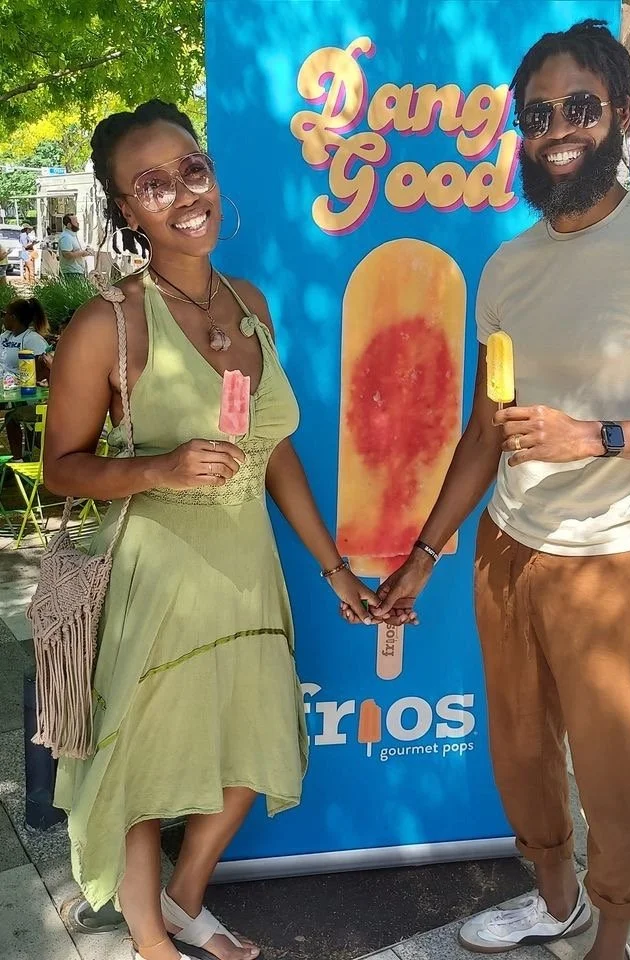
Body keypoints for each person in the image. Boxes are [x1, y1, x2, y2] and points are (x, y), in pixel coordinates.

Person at [374, 20, 630, 960]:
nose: (557, 128)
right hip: (508, 548)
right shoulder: (506, 268)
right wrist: (427, 553)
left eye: (580, 106)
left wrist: (598, 436)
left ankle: (613, 934)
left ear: (621, 113)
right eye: (537, 114)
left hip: (613, 560)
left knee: (614, 770)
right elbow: (484, 430)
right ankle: (555, 899)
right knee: (521, 750)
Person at [45, 100, 381, 960]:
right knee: (146, 766)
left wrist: (336, 571)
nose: (182, 194)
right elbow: (61, 467)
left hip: (247, 567)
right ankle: (151, 941)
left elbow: (273, 452)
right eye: (150, 184)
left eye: (191, 169)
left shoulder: (250, 300)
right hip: (161, 574)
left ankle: (187, 896)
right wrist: (156, 467)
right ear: (126, 210)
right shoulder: (108, 323)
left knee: (252, 740)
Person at [1, 298, 51, 458]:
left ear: (13, 317)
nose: (3, 318)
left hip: (23, 392)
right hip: (5, 388)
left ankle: (19, 459)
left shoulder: (33, 339)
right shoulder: (4, 336)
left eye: (5, 314)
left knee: (12, 416)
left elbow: (43, 370)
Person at [58, 214, 93, 278]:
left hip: (78, 271)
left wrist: (85, 251)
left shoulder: (74, 236)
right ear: (69, 225)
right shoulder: (66, 237)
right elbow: (67, 255)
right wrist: (81, 253)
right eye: (75, 222)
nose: (78, 223)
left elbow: (76, 250)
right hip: (70, 272)